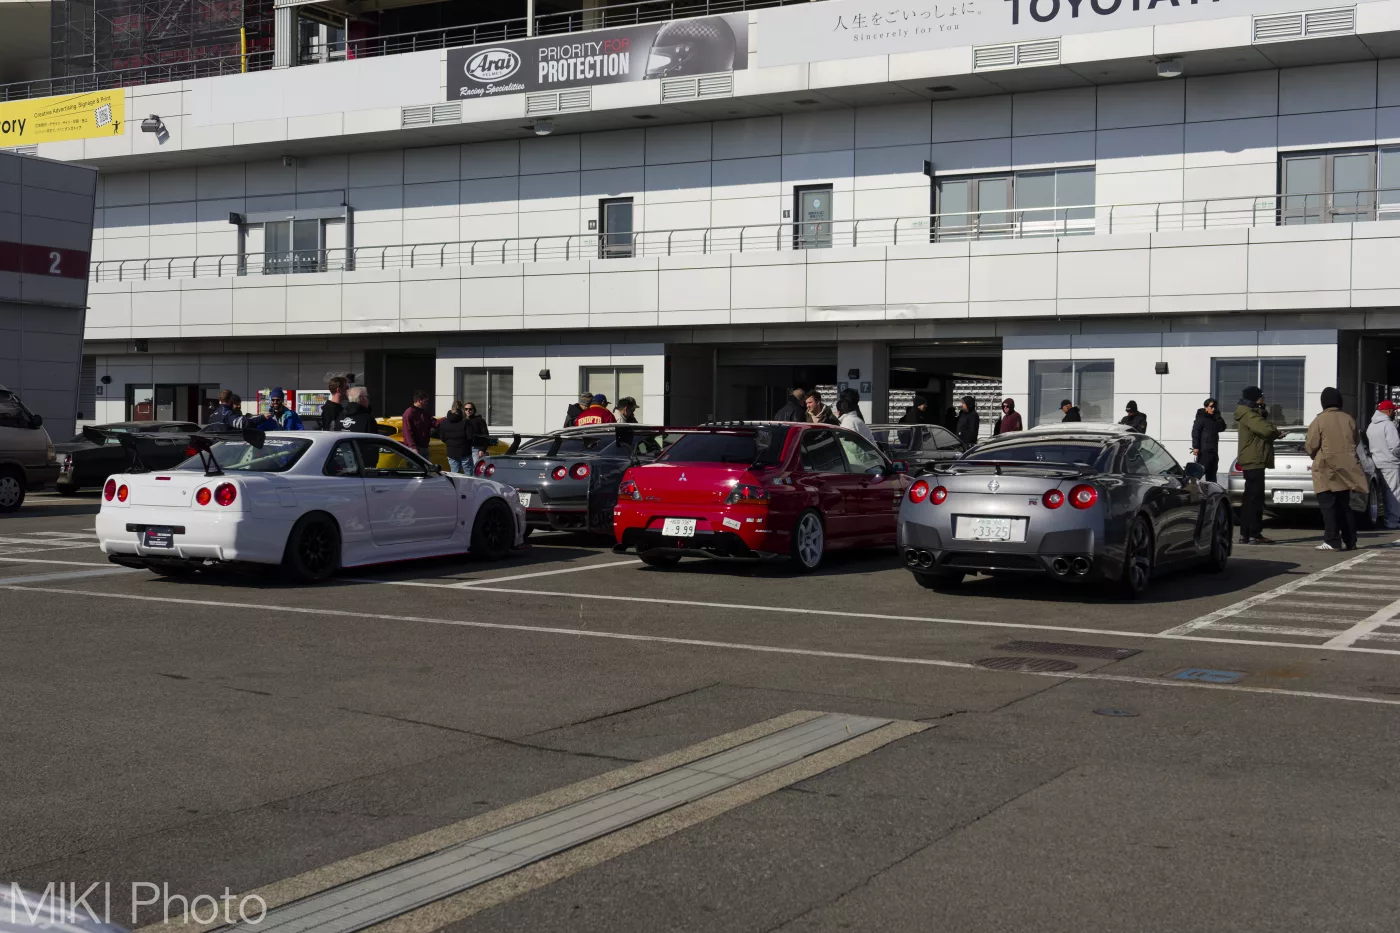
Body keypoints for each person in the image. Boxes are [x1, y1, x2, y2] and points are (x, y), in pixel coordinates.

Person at [1306, 387, 1369, 551]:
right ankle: (1351, 541)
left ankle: (1332, 540)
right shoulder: (1349, 419)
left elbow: (1311, 445)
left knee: (1328, 506)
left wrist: (1314, 455)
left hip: (1325, 467)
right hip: (1346, 468)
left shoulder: (1319, 420)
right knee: (1344, 506)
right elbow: (1356, 441)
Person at [1235, 386, 1283, 545]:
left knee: (1250, 498)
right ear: (1255, 398)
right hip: (1254, 459)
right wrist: (1277, 432)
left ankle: (1246, 534)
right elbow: (1265, 430)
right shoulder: (1249, 414)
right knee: (1255, 499)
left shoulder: (1248, 413)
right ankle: (1253, 534)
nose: (1264, 399)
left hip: (1252, 459)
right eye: (1261, 397)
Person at [1367, 399, 1400, 530]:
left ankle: (1386, 518)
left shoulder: (1371, 426)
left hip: (1377, 463)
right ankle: (1392, 521)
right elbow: (1395, 447)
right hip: (1390, 464)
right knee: (1393, 493)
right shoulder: (1389, 425)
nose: (1394, 413)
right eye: (1393, 410)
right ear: (1388, 411)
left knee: (1383, 494)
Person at [1191, 398, 1228, 483]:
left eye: (1215, 407)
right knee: (1199, 472)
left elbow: (1222, 428)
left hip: (1214, 450)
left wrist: (1218, 417)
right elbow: (1195, 432)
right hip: (1204, 450)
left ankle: (1211, 490)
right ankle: (1191, 486)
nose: (1213, 409)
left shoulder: (1214, 418)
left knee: (1212, 474)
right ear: (1206, 407)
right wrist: (1195, 447)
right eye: (1211, 407)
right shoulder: (1201, 418)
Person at [438, 401, 473, 474]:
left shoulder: (444, 422)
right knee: (468, 472)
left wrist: (450, 443)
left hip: (451, 450)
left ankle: (456, 482)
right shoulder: (465, 421)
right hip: (464, 450)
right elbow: (470, 437)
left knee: (455, 473)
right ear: (461, 409)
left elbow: (442, 437)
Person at [402, 390, 433, 457]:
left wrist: (447, 418)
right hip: (415, 449)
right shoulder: (409, 413)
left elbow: (434, 423)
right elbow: (407, 432)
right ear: (419, 400)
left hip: (424, 447)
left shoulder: (424, 412)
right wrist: (413, 448)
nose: (427, 403)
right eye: (425, 401)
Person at [464, 401, 490, 469]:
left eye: (470, 409)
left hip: (476, 448)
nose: (468, 411)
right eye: (466, 409)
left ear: (474, 410)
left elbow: (485, 435)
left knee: (476, 468)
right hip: (465, 449)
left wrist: (482, 449)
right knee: (467, 469)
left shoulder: (480, 420)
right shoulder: (463, 421)